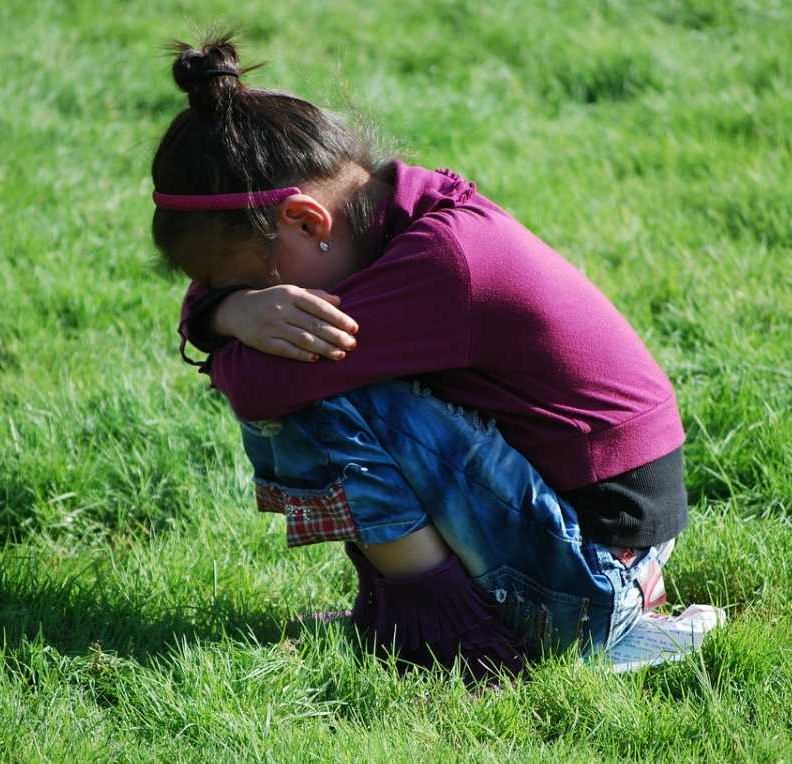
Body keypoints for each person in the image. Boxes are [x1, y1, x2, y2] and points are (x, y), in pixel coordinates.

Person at [150, 34, 687, 681]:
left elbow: (259, 388)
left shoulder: (442, 264)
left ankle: (454, 634)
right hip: (591, 540)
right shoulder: (395, 215)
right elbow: (226, 329)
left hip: (594, 573)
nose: (265, 304)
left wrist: (226, 329)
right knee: (314, 367)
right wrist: (227, 311)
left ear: (306, 223)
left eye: (258, 284)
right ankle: (410, 609)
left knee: (321, 392)